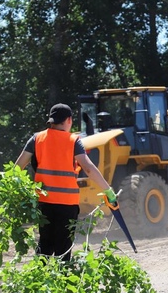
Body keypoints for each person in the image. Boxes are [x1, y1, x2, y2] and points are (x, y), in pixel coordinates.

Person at [15, 103, 118, 261]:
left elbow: (17, 168)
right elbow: (88, 168)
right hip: (67, 204)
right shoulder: (73, 140)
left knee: (45, 244)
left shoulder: (36, 139)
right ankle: (62, 280)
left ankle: (40, 280)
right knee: (63, 249)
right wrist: (108, 191)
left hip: (44, 202)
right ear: (69, 120)